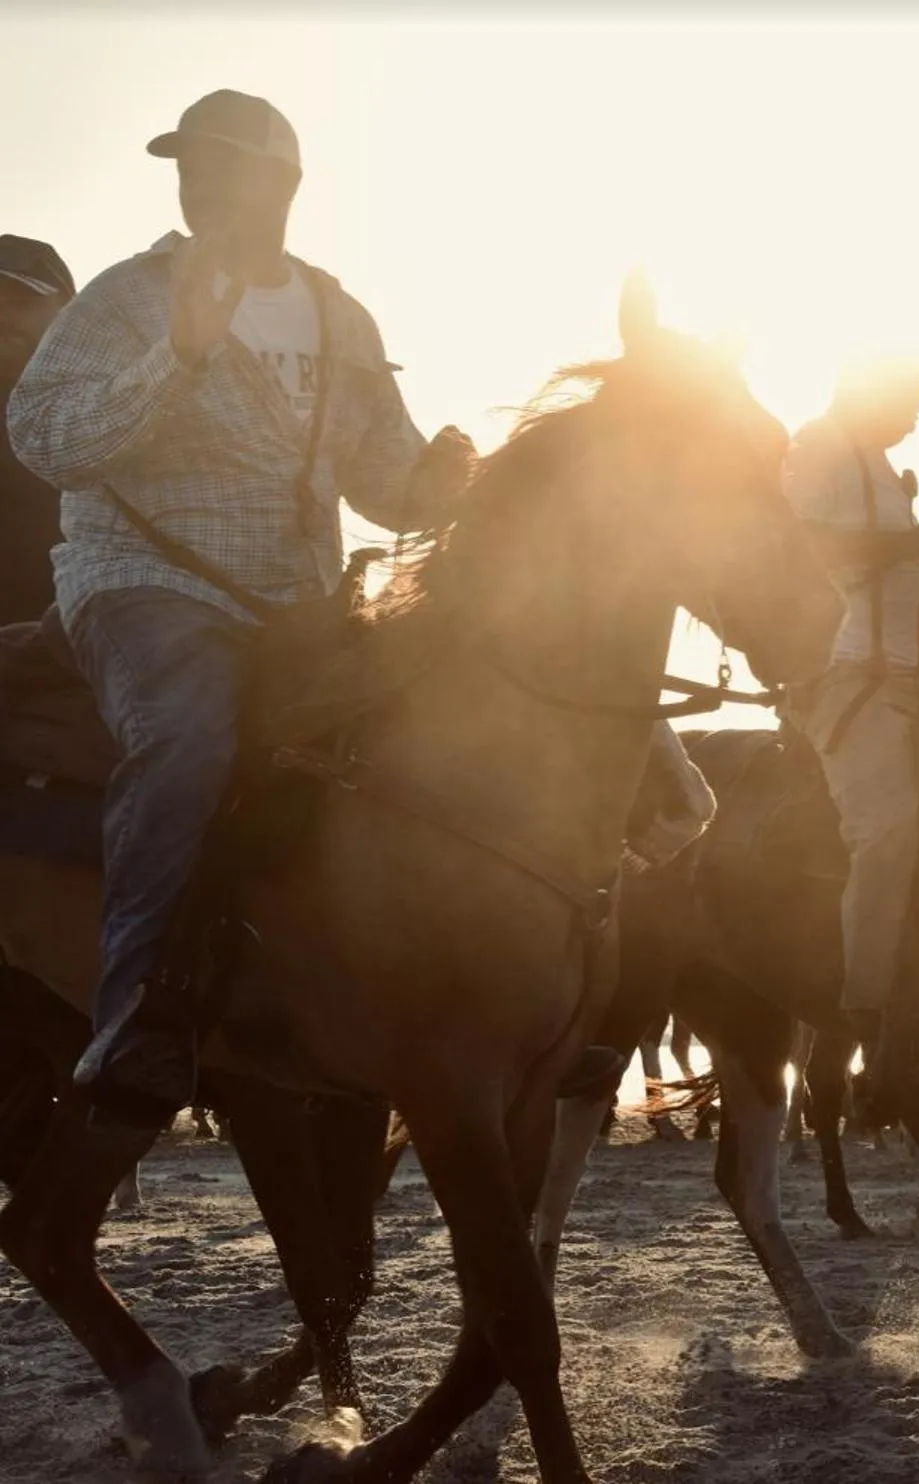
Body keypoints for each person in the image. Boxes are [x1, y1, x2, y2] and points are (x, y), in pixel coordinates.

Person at [5, 90, 476, 1124]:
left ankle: (487, 989)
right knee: (184, 734)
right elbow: (45, 438)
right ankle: (133, 1013)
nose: (199, 184)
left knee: (443, 723)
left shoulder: (339, 316)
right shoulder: (128, 297)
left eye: (223, 165)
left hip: (301, 605)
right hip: (145, 585)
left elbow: (384, 481)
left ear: (282, 184)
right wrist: (174, 357)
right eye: (189, 166)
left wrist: (442, 485)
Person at [778, 355, 919, 1111]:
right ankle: (871, 1016)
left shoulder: (879, 466)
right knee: (889, 830)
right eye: (911, 396)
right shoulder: (819, 447)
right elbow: (798, 549)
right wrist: (907, 546)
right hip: (851, 681)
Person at [0, 235, 75, 623]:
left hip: (90, 637)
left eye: (20, 302)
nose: (1, 316)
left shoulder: (112, 403)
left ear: (70, 310)